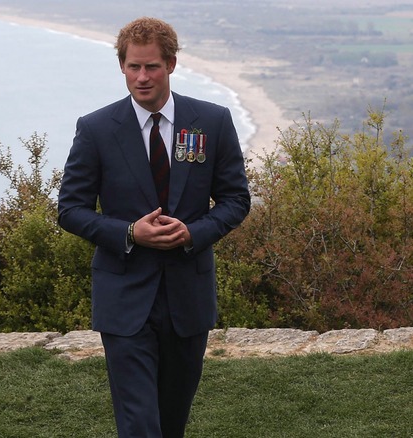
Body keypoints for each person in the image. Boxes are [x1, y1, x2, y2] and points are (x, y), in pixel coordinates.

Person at [57, 17, 251, 438]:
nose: (141, 78)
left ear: (172, 65)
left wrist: (194, 233)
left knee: (171, 423)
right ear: (121, 67)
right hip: (124, 299)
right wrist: (129, 233)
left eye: (152, 67)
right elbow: (70, 209)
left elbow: (236, 200)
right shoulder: (95, 129)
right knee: (140, 424)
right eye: (133, 67)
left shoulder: (212, 121)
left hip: (188, 298)